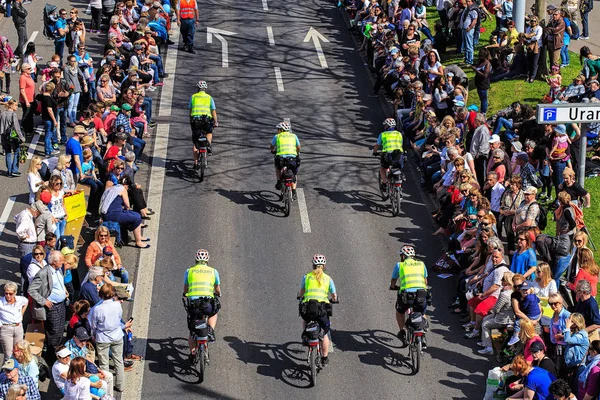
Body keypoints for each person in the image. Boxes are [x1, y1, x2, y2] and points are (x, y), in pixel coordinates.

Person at [28, 250, 68, 364]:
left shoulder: (58, 269)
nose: (63, 262)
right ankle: (51, 360)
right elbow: (31, 290)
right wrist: (44, 301)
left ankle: (58, 354)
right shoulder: (43, 273)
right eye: (61, 260)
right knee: (54, 333)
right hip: (52, 307)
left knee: (60, 331)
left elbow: (59, 283)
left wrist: (64, 291)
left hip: (61, 304)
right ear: (54, 262)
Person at [299, 254, 337, 366]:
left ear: (313, 265)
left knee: (305, 320)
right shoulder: (328, 279)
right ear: (324, 266)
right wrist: (334, 299)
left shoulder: (307, 277)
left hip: (308, 309)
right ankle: (324, 358)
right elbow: (334, 296)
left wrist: (301, 297)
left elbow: (301, 292)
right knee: (324, 334)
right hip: (321, 311)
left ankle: (305, 334)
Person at [89, 284, 128, 393]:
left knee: (103, 363)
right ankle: (121, 385)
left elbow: (93, 324)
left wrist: (93, 334)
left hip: (102, 338)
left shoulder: (97, 309)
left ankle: (106, 388)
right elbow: (119, 318)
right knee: (118, 360)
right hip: (117, 335)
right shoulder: (117, 305)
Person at [183, 249, 221, 358]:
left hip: (194, 305)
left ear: (196, 260)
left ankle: (193, 352)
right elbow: (217, 288)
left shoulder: (189, 271)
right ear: (207, 260)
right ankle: (210, 330)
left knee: (192, 330)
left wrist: (185, 293)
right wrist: (218, 293)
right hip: (207, 304)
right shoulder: (213, 271)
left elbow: (185, 288)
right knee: (214, 313)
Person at [390, 245, 428, 345]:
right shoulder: (421, 264)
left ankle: (402, 332)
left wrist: (393, 287)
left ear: (403, 256)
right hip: (420, 294)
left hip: (406, 295)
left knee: (400, 311)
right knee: (422, 311)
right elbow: (425, 281)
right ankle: (422, 334)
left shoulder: (400, 265)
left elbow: (393, 280)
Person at [478, 270, 515, 355]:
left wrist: (492, 311)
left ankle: (489, 348)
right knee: (485, 319)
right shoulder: (511, 291)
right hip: (506, 316)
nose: (501, 280)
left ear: (506, 281)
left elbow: (496, 309)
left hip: (503, 319)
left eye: (503, 279)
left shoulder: (505, 294)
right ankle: (485, 342)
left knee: (485, 324)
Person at [270, 121, 301, 199]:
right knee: (294, 173)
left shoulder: (277, 136)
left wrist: (273, 150)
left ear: (281, 130)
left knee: (277, 168)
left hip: (281, 159)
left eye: (278, 129)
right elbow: (298, 147)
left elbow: (272, 146)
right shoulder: (294, 136)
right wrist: (297, 153)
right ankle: (293, 191)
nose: (277, 131)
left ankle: (279, 181)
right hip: (292, 159)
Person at [373, 118, 404, 192]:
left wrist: (375, 152)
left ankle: (384, 183)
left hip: (387, 155)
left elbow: (377, 145)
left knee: (382, 167)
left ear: (387, 126)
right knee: (398, 167)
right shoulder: (399, 134)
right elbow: (401, 144)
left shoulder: (383, 134)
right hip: (398, 155)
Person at [189, 80, 218, 159]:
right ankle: (208, 145)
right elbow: (213, 112)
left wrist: (190, 120)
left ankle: (195, 163)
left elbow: (190, 111)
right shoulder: (209, 98)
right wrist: (216, 122)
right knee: (209, 132)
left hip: (195, 120)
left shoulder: (193, 97)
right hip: (206, 120)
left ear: (198, 89)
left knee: (196, 142)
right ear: (205, 89)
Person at [0, 283, 27, 361]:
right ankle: (6, 372)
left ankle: (17, 371)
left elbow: (26, 302)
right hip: (6, 329)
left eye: (10, 294)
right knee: (8, 355)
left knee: (18, 352)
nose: (8, 296)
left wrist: (21, 314)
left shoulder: (20, 299)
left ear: (15, 293)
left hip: (18, 327)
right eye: (6, 293)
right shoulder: (1, 302)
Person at [0, 100, 25, 177]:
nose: (17, 107)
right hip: (12, 137)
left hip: (4, 136)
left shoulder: (2, 114)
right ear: (11, 106)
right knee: (17, 151)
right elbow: (17, 128)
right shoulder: (13, 115)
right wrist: (22, 137)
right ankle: (14, 170)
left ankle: (9, 171)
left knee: (8, 153)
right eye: (16, 105)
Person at [18, 62, 35, 137]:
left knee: (30, 115)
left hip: (31, 99)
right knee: (26, 115)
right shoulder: (23, 77)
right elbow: (22, 90)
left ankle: (30, 130)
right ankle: (24, 130)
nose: (30, 69)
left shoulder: (29, 76)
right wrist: (26, 101)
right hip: (26, 100)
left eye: (30, 68)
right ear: (24, 69)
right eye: (28, 68)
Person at [460, 0, 479, 66]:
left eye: (469, 1)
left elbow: (474, 21)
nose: (467, 3)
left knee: (469, 45)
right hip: (464, 29)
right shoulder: (467, 8)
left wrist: (470, 27)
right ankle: (466, 59)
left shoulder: (473, 10)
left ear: (472, 2)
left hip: (469, 30)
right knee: (465, 45)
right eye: (467, 1)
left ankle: (470, 61)